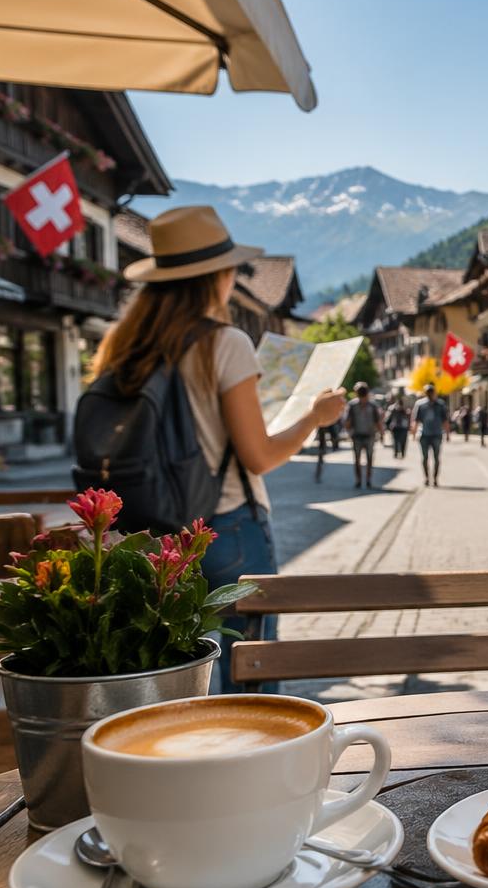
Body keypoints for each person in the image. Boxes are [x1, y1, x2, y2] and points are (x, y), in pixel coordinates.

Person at [89, 205, 346, 693]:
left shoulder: (123, 344)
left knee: (168, 678)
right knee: (251, 677)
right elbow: (259, 457)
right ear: (216, 278)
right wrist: (315, 417)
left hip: (147, 533)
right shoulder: (224, 343)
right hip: (226, 527)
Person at [345, 382, 383, 488]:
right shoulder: (352, 405)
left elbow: (377, 421)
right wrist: (348, 430)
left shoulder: (372, 405)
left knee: (369, 459)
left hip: (369, 435)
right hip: (357, 435)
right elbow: (348, 421)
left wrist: (381, 432)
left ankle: (368, 479)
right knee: (357, 459)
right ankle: (359, 479)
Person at [414, 382, 450, 486]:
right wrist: (414, 433)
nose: (430, 394)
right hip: (424, 434)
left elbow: (445, 420)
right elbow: (416, 420)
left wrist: (447, 434)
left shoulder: (440, 404)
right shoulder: (420, 404)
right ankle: (426, 477)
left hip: (437, 434)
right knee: (425, 458)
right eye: (428, 392)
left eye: (431, 392)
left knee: (436, 458)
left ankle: (435, 478)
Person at [386, 394, 411, 459]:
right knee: (395, 441)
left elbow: (409, 417)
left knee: (403, 441)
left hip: (403, 427)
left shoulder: (406, 408)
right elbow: (389, 417)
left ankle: (402, 452)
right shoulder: (392, 408)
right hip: (396, 427)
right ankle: (396, 452)